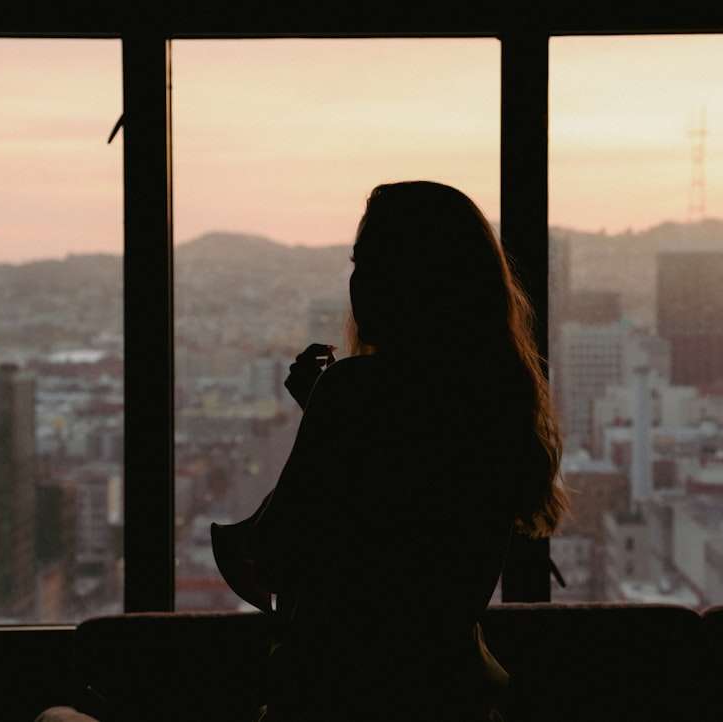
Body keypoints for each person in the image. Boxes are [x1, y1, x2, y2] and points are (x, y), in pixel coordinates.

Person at [211, 181, 567, 722]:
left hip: (335, 693)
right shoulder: (496, 397)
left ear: (408, 282)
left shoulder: (352, 391)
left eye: (371, 263)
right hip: (457, 693)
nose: (357, 283)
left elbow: (279, 552)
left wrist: (328, 415)